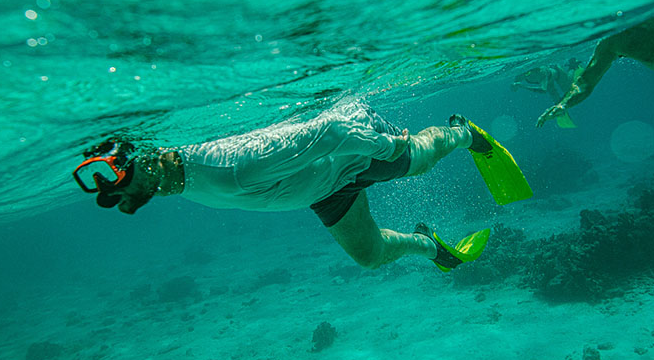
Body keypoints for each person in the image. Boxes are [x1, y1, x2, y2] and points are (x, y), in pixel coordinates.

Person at [73, 102, 529, 272]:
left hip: (351, 151)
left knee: (419, 162)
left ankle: (465, 133)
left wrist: (390, 148)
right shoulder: (178, 175)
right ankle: (430, 246)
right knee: (369, 255)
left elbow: (332, 132)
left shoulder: (229, 168)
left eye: (113, 177)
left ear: (141, 162)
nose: (114, 198)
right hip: (320, 186)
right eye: (101, 185)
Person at [512, 58, 582, 128]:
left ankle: (572, 66)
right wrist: (514, 85)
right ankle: (559, 108)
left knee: (567, 88)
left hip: (557, 73)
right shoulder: (524, 73)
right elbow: (516, 82)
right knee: (557, 101)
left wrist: (524, 87)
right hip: (548, 81)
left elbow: (543, 90)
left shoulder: (542, 73)